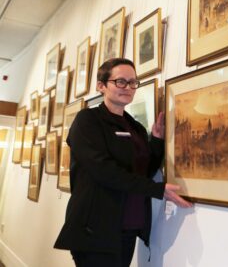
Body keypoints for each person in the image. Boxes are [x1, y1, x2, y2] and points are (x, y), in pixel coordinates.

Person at [54, 58, 192, 267]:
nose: (128, 87)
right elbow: (104, 171)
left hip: (128, 227)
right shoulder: (87, 121)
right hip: (95, 230)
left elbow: (142, 171)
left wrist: (156, 140)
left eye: (133, 82)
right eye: (121, 82)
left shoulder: (135, 127)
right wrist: (157, 189)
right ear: (101, 86)